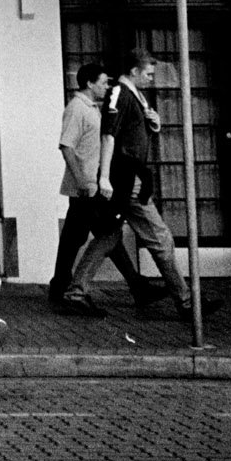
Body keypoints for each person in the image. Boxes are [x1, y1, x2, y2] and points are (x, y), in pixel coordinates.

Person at [86, 50, 219, 322]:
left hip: (129, 176)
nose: (151, 78)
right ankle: (185, 301)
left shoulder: (133, 95)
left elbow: (123, 132)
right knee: (160, 239)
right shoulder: (120, 93)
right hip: (129, 177)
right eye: (148, 73)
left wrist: (152, 125)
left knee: (110, 236)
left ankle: (77, 288)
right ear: (134, 71)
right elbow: (109, 135)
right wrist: (104, 177)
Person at [50, 63, 164, 316]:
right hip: (86, 187)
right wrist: (82, 181)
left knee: (102, 236)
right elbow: (66, 146)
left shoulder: (93, 108)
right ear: (89, 84)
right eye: (102, 82)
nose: (106, 86)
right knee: (95, 236)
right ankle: (67, 289)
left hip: (94, 185)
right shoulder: (77, 108)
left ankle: (64, 286)